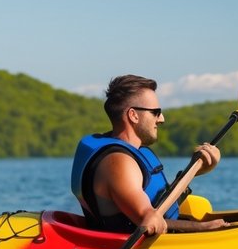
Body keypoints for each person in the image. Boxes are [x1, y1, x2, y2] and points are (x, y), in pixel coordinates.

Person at [71, 74, 226, 236]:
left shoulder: (127, 153)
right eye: (156, 112)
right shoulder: (117, 162)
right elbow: (150, 221)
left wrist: (194, 170)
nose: (162, 119)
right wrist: (205, 228)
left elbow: (159, 207)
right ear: (133, 115)